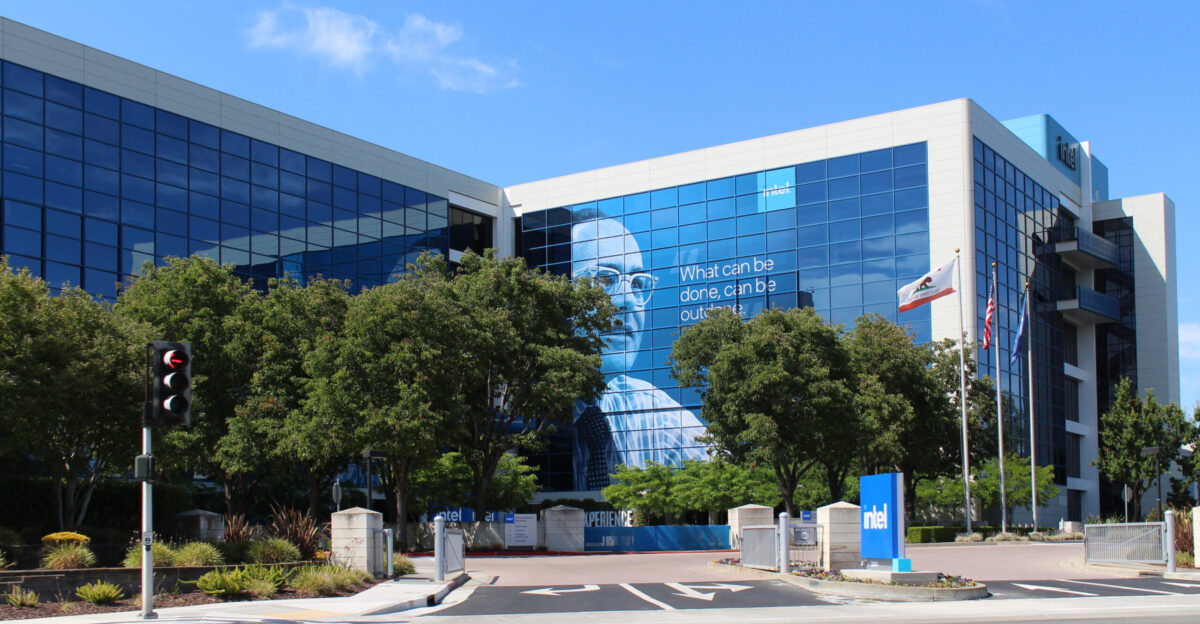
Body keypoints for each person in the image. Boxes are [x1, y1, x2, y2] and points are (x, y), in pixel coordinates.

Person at [570, 216, 707, 491]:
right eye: (604, 279)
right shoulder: (509, 416)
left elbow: (730, 486)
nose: (627, 301)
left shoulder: (662, 419)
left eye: (636, 284)